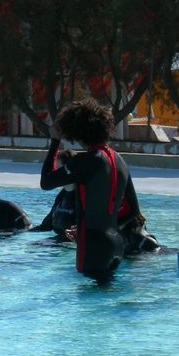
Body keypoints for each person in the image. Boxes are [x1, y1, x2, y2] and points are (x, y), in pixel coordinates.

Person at [40, 100, 137, 280]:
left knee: (89, 297)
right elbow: (133, 211)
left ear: (77, 132)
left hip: (93, 245)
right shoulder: (119, 160)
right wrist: (105, 226)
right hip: (116, 243)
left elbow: (46, 181)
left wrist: (55, 140)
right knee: (107, 293)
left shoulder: (85, 161)